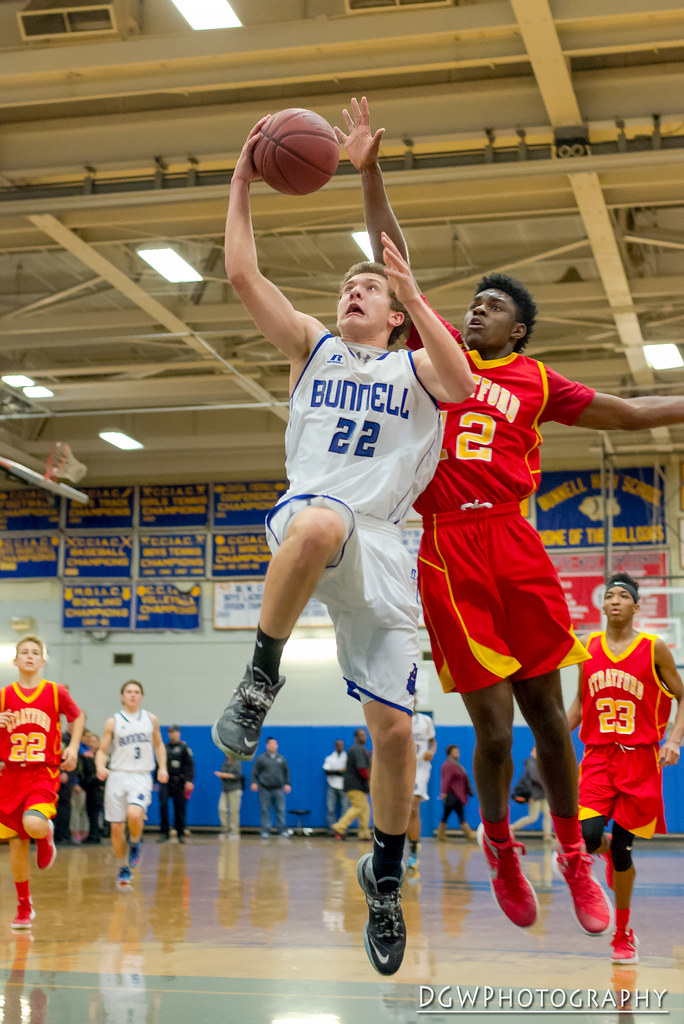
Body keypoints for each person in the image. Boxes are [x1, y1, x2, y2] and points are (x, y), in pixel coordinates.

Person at [340, 94, 684, 937]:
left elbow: (635, 412)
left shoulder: (536, 382)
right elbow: (394, 257)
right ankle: (498, 845)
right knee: (492, 731)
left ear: (519, 326)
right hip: (448, 552)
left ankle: (572, 856)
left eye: (492, 306)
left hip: (515, 539)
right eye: (473, 304)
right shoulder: (427, 359)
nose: (475, 310)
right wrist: (370, 170)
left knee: (548, 726)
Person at [211, 114, 474, 976]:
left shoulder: (421, 370)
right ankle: (260, 677)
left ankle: (387, 879)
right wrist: (244, 178)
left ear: (398, 313)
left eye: (369, 288)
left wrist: (402, 262)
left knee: (396, 736)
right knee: (321, 518)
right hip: (314, 520)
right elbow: (244, 271)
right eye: (346, 288)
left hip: (389, 552)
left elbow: (466, 382)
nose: (351, 293)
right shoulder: (312, 350)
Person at [567, 572, 684, 963]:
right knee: (589, 833)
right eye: (610, 595)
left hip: (639, 758)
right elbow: (576, 707)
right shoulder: (588, 646)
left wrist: (673, 739)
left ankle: (622, 932)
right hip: (599, 756)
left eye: (624, 596)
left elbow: (683, 697)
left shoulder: (655, 648)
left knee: (622, 852)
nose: (615, 600)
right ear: (603, 605)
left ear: (636, 606)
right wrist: (546, 739)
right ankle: (598, 856)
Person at [0, 634, 84, 930]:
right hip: (10, 775)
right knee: (16, 846)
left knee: (33, 823)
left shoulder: (56, 691)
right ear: (16, 660)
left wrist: (73, 747)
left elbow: (78, 715)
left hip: (42, 773)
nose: (30, 656)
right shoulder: (3, 695)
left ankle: (46, 833)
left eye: (35, 652)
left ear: (43, 660)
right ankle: (24, 906)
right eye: (24, 652)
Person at [95, 680, 168, 889]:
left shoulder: (150, 719)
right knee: (116, 827)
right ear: (122, 696)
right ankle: (123, 866)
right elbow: (102, 750)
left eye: (136, 692)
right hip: (117, 775)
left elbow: (158, 744)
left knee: (135, 814)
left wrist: (162, 767)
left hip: (141, 775)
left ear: (141, 696)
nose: (133, 695)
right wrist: (100, 766)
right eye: (129, 692)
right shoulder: (113, 721)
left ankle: (135, 842)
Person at [406, 700, 436, 869]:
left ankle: (413, 852)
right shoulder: (399, 717)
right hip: (401, 766)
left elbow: (433, 742)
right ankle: (406, 843)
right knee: (401, 811)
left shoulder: (426, 721)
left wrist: (431, 752)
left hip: (420, 767)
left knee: (413, 807)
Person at [331, 728, 372, 841]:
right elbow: (362, 768)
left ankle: (364, 834)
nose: (364, 737)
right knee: (359, 807)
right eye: (361, 735)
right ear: (356, 737)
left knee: (364, 809)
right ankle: (339, 827)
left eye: (365, 735)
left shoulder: (360, 749)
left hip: (358, 785)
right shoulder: (357, 749)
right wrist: (370, 779)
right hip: (355, 785)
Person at [157, 725, 194, 844]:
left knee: (180, 808)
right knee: (163, 806)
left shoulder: (184, 748)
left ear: (178, 733)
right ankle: (164, 832)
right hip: (165, 782)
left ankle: (180, 833)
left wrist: (189, 781)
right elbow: (159, 764)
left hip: (179, 782)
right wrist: (155, 780)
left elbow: (190, 765)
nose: (171, 734)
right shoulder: (164, 747)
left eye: (173, 732)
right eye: (169, 732)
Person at [250, 737, 291, 838]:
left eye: (275, 744)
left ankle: (282, 830)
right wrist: (254, 782)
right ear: (267, 746)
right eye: (271, 744)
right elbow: (254, 772)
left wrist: (287, 783)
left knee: (281, 810)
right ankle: (265, 830)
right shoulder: (261, 758)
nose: (273, 746)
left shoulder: (281, 759)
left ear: (277, 746)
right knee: (265, 810)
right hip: (265, 789)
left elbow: (286, 772)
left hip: (278, 789)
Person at [511, 746, 552, 841]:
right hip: (535, 795)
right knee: (533, 817)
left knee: (548, 814)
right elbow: (535, 778)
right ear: (532, 753)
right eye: (535, 751)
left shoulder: (541, 763)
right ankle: (512, 827)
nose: (537, 753)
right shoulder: (530, 762)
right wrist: (548, 784)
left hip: (544, 794)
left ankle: (547, 835)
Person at [437, 744, 475, 841]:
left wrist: (468, 790)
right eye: (455, 752)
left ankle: (441, 835)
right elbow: (445, 780)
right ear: (449, 753)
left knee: (448, 814)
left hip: (457, 795)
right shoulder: (448, 765)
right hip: (452, 795)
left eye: (458, 751)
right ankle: (469, 834)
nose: (458, 753)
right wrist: (443, 793)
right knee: (458, 814)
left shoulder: (455, 764)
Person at [80, 730, 105, 844]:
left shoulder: (103, 757)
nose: (92, 743)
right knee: (90, 813)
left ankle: (96, 835)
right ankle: (92, 834)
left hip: (98, 789)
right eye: (91, 741)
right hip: (89, 788)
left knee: (97, 812)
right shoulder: (85, 756)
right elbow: (83, 773)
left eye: (95, 741)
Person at [322, 738, 349, 831]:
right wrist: (339, 771)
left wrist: (335, 771)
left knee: (345, 809)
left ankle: (342, 829)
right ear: (335, 746)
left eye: (342, 745)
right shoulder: (330, 758)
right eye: (338, 745)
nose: (340, 747)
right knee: (331, 808)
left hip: (344, 786)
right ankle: (331, 829)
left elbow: (348, 772)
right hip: (332, 785)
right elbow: (326, 771)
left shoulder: (347, 758)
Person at [215, 752, 244, 838]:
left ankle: (234, 831)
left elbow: (238, 776)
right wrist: (221, 776)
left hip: (235, 789)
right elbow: (222, 776)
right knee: (222, 809)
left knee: (233, 811)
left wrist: (225, 775)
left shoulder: (237, 763)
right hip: (225, 790)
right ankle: (225, 830)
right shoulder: (224, 764)